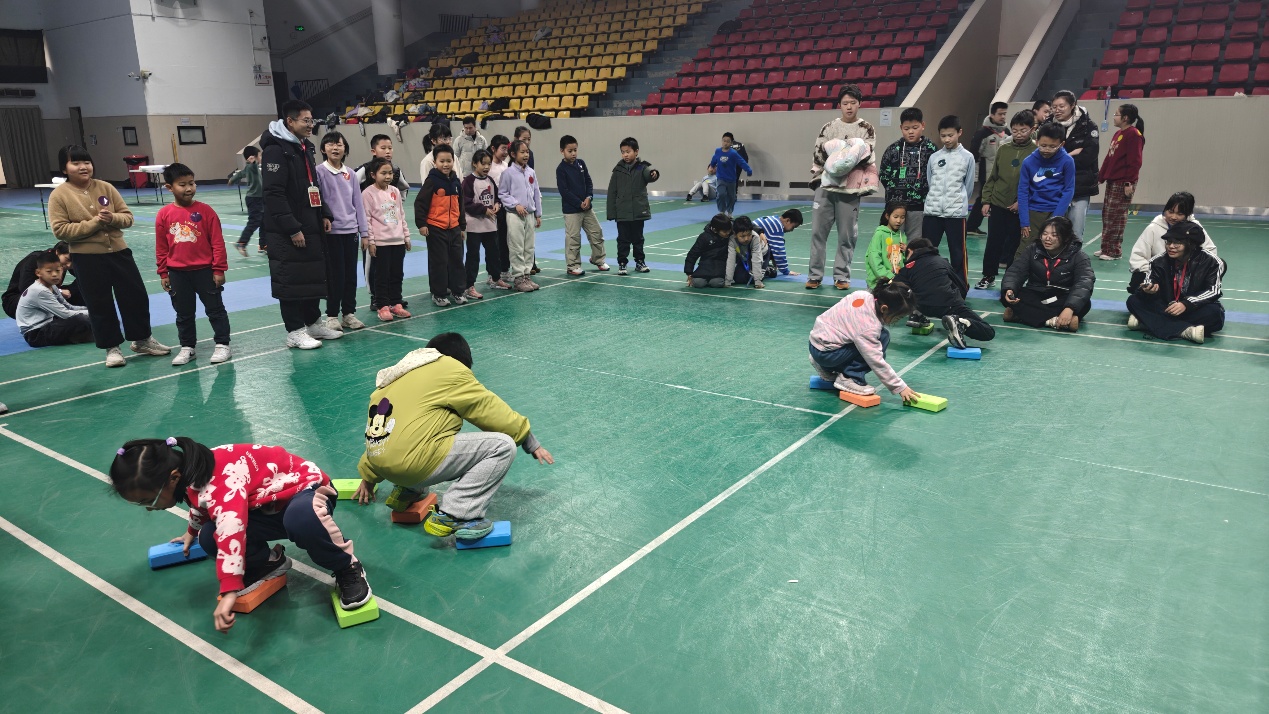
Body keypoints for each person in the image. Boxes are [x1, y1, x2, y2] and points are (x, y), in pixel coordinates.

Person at [109, 437, 372, 631]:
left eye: (147, 500)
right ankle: (268, 562)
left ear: (173, 478)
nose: (148, 508)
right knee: (208, 537)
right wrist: (191, 532)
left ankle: (346, 566)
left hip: (304, 492)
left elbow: (231, 528)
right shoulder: (192, 473)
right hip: (264, 505)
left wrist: (230, 589)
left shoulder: (217, 479)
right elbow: (202, 504)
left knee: (301, 519)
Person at [354, 333, 554, 540]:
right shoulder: (449, 369)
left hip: (381, 463)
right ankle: (457, 514)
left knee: (420, 432)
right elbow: (490, 409)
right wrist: (529, 440)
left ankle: (407, 491)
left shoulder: (396, 377)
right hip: (413, 465)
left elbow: (384, 431)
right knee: (502, 446)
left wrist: (368, 478)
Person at [49, 144, 170, 367]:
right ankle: (111, 347)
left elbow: (127, 217)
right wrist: (95, 223)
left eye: (87, 162)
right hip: (86, 258)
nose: (83, 167)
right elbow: (61, 231)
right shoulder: (59, 195)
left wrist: (113, 218)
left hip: (119, 252)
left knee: (135, 297)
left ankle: (142, 340)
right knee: (99, 303)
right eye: (76, 163)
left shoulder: (106, 187)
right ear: (64, 169)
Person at [260, 100, 341, 350]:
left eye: (311, 120)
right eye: (306, 120)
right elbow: (273, 194)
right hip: (287, 230)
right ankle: (294, 331)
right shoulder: (276, 150)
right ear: (290, 121)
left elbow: (312, 184)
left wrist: (324, 213)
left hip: (311, 223)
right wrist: (292, 227)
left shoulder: (304, 147)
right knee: (291, 280)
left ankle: (313, 323)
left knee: (312, 276)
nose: (310, 125)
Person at [155, 163, 231, 366]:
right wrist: (163, 272)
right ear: (169, 187)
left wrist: (219, 269)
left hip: (205, 271)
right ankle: (187, 347)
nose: (189, 188)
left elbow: (217, 242)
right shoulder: (164, 214)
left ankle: (222, 344)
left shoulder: (206, 211)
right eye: (182, 185)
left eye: (192, 183)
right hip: (177, 274)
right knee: (183, 314)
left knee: (215, 310)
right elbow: (161, 247)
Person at [807, 84, 876, 290]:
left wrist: (840, 153)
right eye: (845, 103)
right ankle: (814, 275)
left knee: (847, 235)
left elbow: (866, 155)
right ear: (839, 105)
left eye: (853, 103)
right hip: (825, 187)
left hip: (851, 189)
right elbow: (819, 153)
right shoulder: (828, 128)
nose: (849, 107)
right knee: (818, 233)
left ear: (859, 104)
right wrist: (847, 152)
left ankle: (842, 276)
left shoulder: (867, 128)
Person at [808, 279, 921, 400]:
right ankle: (850, 378)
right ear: (884, 309)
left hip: (815, 345)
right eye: (897, 318)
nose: (896, 321)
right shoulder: (869, 327)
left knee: (874, 335)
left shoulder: (861, 295)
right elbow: (875, 360)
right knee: (882, 337)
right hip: (829, 354)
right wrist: (899, 387)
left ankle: (825, 367)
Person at [1126, 221, 1223, 344]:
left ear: (1191, 244)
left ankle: (1148, 322)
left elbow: (1213, 291)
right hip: (1166, 306)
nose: (1171, 246)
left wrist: (1186, 304)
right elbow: (1150, 279)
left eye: (1177, 243)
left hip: (1192, 308)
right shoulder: (1158, 261)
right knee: (1133, 300)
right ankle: (1186, 331)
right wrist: (1148, 288)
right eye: (1168, 242)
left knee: (1215, 314)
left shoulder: (1212, 262)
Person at [897, 237, 995, 349]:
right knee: (988, 332)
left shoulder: (907, 268)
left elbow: (894, 290)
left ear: (910, 251)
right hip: (948, 305)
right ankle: (960, 323)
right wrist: (960, 304)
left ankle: (916, 314)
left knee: (910, 289)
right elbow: (961, 286)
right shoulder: (942, 261)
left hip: (922, 305)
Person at [314, 132, 369, 332]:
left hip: (351, 231)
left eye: (339, 144)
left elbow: (358, 204)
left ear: (345, 149)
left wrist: (364, 232)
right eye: (330, 144)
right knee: (335, 275)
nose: (335, 148)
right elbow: (317, 200)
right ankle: (331, 315)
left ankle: (348, 314)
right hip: (331, 233)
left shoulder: (351, 174)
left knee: (350, 275)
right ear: (323, 149)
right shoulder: (319, 172)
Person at [977, 109, 1037, 289]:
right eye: (1015, 130)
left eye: (1023, 130)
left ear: (1032, 129)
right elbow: (993, 177)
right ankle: (988, 275)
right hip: (998, 203)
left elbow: (1036, 183)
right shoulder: (1003, 149)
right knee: (993, 242)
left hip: (1021, 208)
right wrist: (986, 200)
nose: (1018, 134)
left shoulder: (1036, 152)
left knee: (1015, 245)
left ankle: (1010, 280)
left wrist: (1022, 203)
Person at [1000, 216, 1094, 332]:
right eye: (1045, 234)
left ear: (1066, 237)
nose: (1047, 238)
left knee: (1084, 303)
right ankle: (1053, 321)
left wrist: (1069, 308)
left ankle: (1021, 315)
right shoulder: (1032, 250)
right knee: (1010, 296)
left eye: (1054, 235)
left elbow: (1084, 284)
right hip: (1036, 293)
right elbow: (1016, 271)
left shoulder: (1079, 256)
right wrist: (1009, 289)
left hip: (1061, 296)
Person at [1127, 191, 1221, 293]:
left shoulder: (1195, 229)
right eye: (1170, 211)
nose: (1173, 217)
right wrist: (1152, 275)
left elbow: (1210, 253)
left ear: (1188, 214)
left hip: (1186, 276)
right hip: (1159, 274)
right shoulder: (1153, 228)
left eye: (1180, 214)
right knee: (1137, 285)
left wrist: (1192, 270)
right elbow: (1138, 256)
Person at [356, 134, 411, 307]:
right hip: (373, 228)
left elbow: (404, 187)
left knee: (394, 269)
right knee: (373, 266)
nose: (387, 151)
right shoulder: (365, 170)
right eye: (383, 148)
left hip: (391, 224)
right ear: (373, 151)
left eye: (390, 148)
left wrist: (396, 202)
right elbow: (351, 186)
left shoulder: (396, 170)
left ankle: (393, 298)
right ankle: (376, 297)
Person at [922, 115, 976, 286]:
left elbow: (968, 187)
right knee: (926, 251)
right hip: (932, 212)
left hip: (956, 214)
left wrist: (959, 202)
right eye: (943, 136)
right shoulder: (934, 157)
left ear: (960, 132)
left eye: (950, 135)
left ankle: (960, 287)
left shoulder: (968, 157)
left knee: (958, 253)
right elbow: (930, 181)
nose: (946, 139)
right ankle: (926, 284)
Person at [415, 145, 467, 307]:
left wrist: (462, 226)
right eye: (442, 161)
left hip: (454, 229)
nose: (446, 164)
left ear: (453, 161)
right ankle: (438, 293)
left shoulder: (456, 182)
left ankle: (458, 291)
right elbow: (420, 203)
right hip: (436, 229)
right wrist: (422, 224)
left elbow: (460, 205)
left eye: (449, 161)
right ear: (435, 162)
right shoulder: (431, 181)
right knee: (439, 263)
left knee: (457, 261)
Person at [1044, 90, 1099, 239]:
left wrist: (1059, 158)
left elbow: (1088, 156)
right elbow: (1042, 155)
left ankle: (1074, 254)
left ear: (1073, 105)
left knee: (1075, 232)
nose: (1057, 110)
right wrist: (1070, 155)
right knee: (1052, 231)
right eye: (1054, 107)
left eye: (1061, 106)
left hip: (1080, 186)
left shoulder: (1088, 126)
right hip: (1053, 186)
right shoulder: (1047, 125)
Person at [1017, 123, 1076, 259]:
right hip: (1034, 212)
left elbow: (1068, 190)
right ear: (1037, 141)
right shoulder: (1028, 162)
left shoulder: (1067, 161)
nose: (1047, 150)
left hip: (1056, 211)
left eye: (1052, 146)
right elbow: (1023, 191)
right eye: (1043, 145)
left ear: (1061, 144)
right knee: (1026, 250)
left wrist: (1056, 218)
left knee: (1055, 249)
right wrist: (1024, 221)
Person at [878, 107, 937, 241]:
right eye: (906, 128)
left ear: (923, 125)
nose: (911, 131)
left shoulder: (931, 149)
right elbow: (883, 174)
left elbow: (936, 175)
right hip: (895, 206)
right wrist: (894, 192)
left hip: (920, 206)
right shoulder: (893, 149)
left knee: (915, 242)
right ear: (901, 128)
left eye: (915, 127)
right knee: (893, 241)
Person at [1095, 103, 1145, 261]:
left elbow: (1135, 161)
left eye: (1116, 114)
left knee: (1117, 216)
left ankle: (1114, 251)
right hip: (1113, 180)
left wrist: (1129, 182)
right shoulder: (1118, 134)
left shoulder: (1134, 135)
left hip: (1123, 182)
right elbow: (1109, 158)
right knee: (1107, 214)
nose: (1114, 117)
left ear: (1125, 118)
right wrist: (1100, 177)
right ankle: (1106, 247)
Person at [15, 252, 93, 347]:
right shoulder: (39, 291)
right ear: (38, 273)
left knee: (86, 319)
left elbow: (68, 307)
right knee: (81, 320)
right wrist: (94, 313)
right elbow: (66, 314)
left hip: (48, 325)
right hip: (35, 334)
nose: (55, 274)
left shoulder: (52, 286)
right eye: (49, 271)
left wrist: (91, 310)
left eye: (58, 270)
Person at [555, 135, 608, 277]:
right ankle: (573, 265)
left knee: (597, 233)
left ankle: (598, 259)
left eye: (575, 150)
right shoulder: (561, 169)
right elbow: (564, 191)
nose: (573, 153)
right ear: (562, 151)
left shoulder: (581, 164)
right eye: (570, 151)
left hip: (587, 208)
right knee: (573, 238)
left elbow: (588, 182)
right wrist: (579, 203)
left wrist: (589, 197)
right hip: (572, 211)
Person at [607, 136, 660, 276]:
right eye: (623, 152)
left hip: (638, 212)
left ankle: (640, 262)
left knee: (638, 239)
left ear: (636, 152)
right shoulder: (617, 170)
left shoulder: (643, 167)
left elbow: (650, 174)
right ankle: (622, 263)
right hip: (622, 213)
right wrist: (611, 213)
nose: (625, 155)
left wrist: (654, 173)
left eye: (628, 151)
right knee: (623, 240)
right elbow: (612, 192)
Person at [499, 139, 543, 293]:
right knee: (516, 246)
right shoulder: (508, 173)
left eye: (527, 152)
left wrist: (538, 213)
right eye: (522, 152)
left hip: (529, 215)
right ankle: (518, 277)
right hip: (514, 215)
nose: (526, 155)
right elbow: (502, 194)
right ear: (513, 154)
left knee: (529, 247)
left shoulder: (531, 172)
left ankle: (526, 276)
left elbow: (536, 192)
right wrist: (515, 204)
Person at [965, 102, 1010, 236]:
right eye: (1000, 114)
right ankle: (971, 226)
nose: (1003, 117)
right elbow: (974, 155)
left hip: (1003, 173)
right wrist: (974, 175)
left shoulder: (1007, 133)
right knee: (984, 198)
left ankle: (975, 226)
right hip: (987, 173)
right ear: (992, 115)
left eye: (1004, 114)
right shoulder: (982, 133)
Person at [461, 149, 500, 301]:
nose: (486, 167)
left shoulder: (490, 180)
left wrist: (497, 204)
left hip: (490, 225)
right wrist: (483, 210)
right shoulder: (468, 181)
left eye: (489, 164)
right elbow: (466, 203)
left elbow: (497, 197)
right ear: (474, 164)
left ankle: (495, 278)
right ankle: (468, 285)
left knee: (493, 254)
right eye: (483, 164)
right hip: (474, 227)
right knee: (473, 257)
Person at [4, 241, 79, 319]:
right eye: (67, 259)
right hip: (17, 300)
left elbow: (83, 278)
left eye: (73, 262)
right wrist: (59, 292)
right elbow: (26, 289)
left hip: (47, 295)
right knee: (45, 296)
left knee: (81, 288)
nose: (69, 265)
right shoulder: (35, 259)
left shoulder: (64, 263)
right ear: (57, 252)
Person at [486, 135, 513, 290]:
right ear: (493, 149)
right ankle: (492, 274)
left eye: (507, 149)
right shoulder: (488, 166)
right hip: (491, 209)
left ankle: (504, 270)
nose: (505, 152)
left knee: (504, 240)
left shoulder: (506, 165)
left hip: (504, 207)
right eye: (503, 149)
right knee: (492, 243)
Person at [229, 146, 265, 256]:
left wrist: (232, 180)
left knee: (264, 221)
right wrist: (252, 163)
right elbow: (252, 167)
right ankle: (241, 243)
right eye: (259, 155)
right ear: (253, 157)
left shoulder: (249, 167)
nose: (261, 158)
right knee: (254, 222)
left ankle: (263, 245)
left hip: (258, 198)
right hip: (254, 199)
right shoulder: (252, 167)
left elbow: (240, 174)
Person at [864, 200, 907, 290]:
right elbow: (874, 259)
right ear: (887, 216)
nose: (899, 221)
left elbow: (905, 262)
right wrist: (889, 276)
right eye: (895, 217)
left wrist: (907, 251)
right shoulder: (879, 234)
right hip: (878, 284)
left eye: (902, 217)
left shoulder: (902, 236)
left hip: (896, 283)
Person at [709, 132, 753, 217]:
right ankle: (722, 211)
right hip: (721, 178)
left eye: (728, 141)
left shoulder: (733, 153)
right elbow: (714, 159)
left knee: (731, 197)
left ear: (731, 143)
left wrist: (748, 170)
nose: (725, 143)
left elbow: (741, 162)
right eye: (724, 140)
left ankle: (729, 213)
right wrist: (712, 166)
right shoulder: (718, 151)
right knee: (721, 194)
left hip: (731, 179)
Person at [684, 213, 732, 288]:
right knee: (698, 283)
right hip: (705, 265)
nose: (728, 233)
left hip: (721, 266)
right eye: (725, 232)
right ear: (715, 230)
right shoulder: (704, 237)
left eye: (729, 230)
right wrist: (689, 272)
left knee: (716, 283)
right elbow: (693, 254)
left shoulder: (731, 235)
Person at [753, 209, 803, 278]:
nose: (792, 230)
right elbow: (779, 251)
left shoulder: (774, 219)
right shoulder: (777, 226)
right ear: (787, 220)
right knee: (774, 246)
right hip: (750, 248)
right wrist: (785, 271)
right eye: (793, 227)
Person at [725, 215, 766, 288]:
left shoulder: (755, 238)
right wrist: (727, 281)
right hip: (745, 257)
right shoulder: (732, 240)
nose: (746, 239)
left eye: (749, 235)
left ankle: (767, 270)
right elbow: (731, 260)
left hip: (762, 254)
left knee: (756, 277)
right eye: (742, 236)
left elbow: (756, 259)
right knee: (739, 279)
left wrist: (758, 282)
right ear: (735, 234)